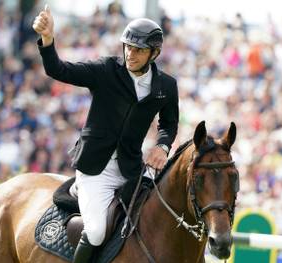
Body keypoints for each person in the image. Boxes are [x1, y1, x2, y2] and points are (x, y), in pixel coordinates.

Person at [33, 6, 179, 263]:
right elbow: (59, 70)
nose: (130, 54)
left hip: (130, 169)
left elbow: (169, 123)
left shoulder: (167, 86)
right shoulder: (105, 70)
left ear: (153, 54)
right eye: (128, 47)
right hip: (94, 168)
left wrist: (163, 146)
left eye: (139, 50)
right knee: (98, 232)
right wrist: (47, 40)